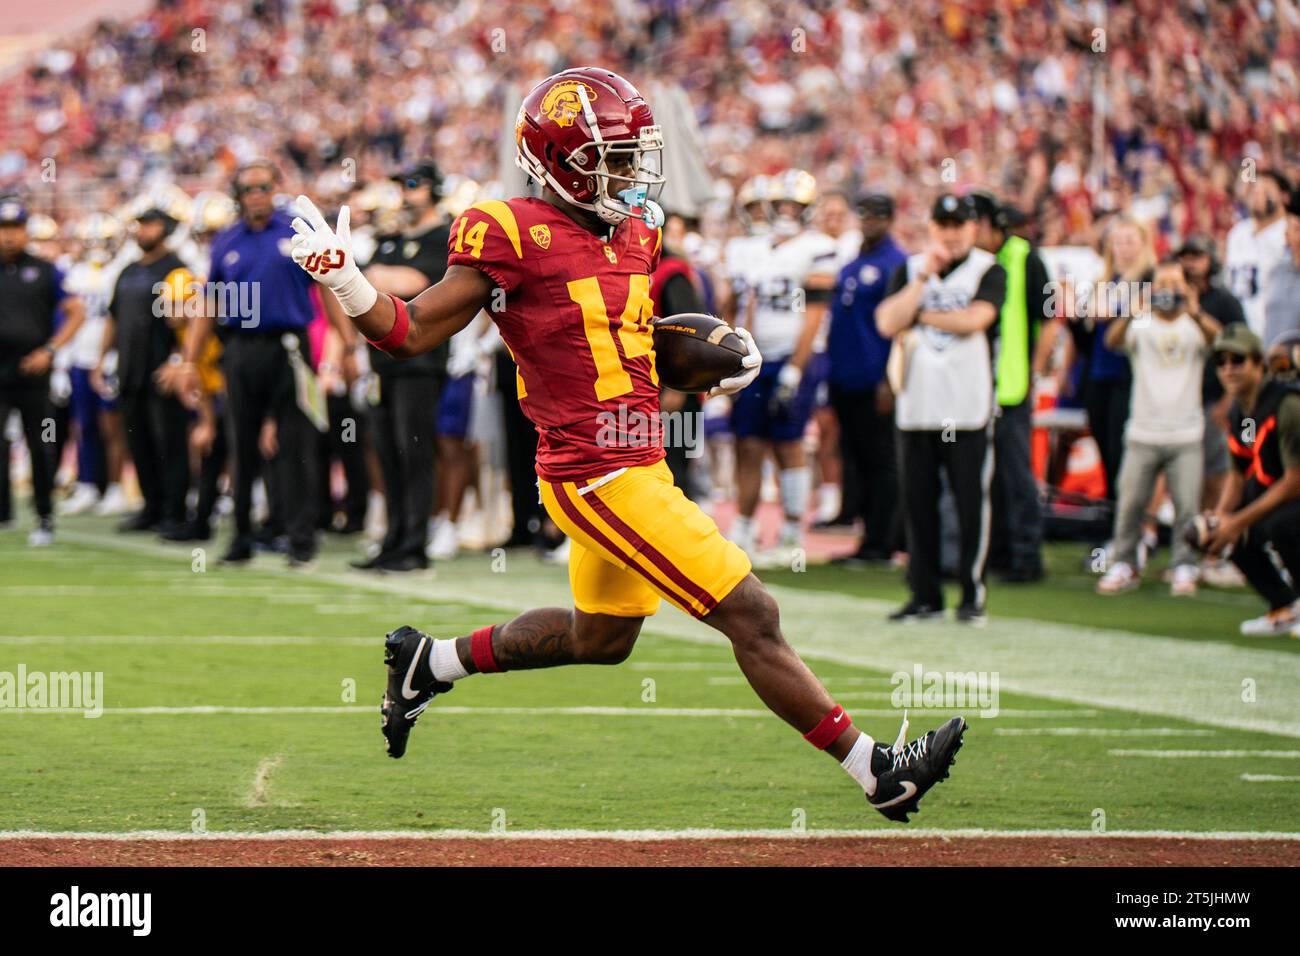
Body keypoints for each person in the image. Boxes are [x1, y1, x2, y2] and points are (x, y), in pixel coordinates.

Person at [289, 68, 965, 822]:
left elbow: (631, 336)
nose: (627, 172)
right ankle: (877, 771)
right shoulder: (507, 230)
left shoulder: (638, 226)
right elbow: (407, 333)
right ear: (552, 159)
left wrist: (714, 357)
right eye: (605, 157)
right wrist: (345, 281)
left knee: (603, 637)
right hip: (594, 473)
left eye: (631, 154)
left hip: (638, 457)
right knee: (753, 613)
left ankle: (431, 661)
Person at [177, 161, 356, 567]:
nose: (257, 194)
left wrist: (346, 344)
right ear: (238, 195)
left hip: (289, 348)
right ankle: (241, 537)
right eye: (249, 188)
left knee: (297, 445)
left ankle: (300, 539)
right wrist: (189, 360)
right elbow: (209, 303)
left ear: (275, 188)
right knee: (241, 445)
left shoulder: (295, 231)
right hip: (240, 347)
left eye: (264, 186)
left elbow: (327, 285)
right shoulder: (225, 239)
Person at [876, 193, 1007, 624]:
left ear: (973, 228)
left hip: (966, 407)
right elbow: (887, 322)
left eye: (958, 225)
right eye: (942, 225)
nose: (950, 234)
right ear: (931, 227)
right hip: (917, 406)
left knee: (971, 505)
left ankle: (972, 593)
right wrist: (921, 285)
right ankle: (925, 593)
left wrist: (920, 316)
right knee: (919, 505)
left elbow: (975, 320)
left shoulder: (988, 269)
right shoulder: (912, 268)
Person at [726, 168, 840, 567]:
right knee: (749, 442)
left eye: (795, 205)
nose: (786, 211)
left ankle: (793, 534)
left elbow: (815, 312)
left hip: (798, 356)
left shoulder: (818, 247)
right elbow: (748, 305)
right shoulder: (758, 248)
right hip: (759, 357)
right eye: (781, 204)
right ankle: (743, 526)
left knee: (790, 443)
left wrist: (796, 367)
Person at [1095, 260, 1220, 596]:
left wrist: (1193, 310)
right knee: (1130, 502)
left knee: (1186, 505)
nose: (1168, 291)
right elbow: (1112, 340)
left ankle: (1183, 564)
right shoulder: (1143, 323)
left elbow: (1220, 343)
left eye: (1174, 284)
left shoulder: (1194, 325)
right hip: (1143, 429)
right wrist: (1134, 310)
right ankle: (1125, 561)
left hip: (1186, 431)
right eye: (1162, 284)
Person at [349, 160, 450, 573]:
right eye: (402, 185)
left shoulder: (443, 235)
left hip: (420, 360)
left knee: (415, 452)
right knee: (387, 452)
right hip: (383, 360)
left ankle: (414, 543)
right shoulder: (389, 237)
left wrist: (378, 276)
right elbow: (364, 281)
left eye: (414, 184)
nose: (406, 193)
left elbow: (415, 283)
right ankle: (393, 539)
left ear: (433, 188)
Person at [971, 192, 1051, 583]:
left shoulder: (1026, 258)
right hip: (974, 388)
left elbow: (1050, 318)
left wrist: (1035, 372)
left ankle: (1027, 558)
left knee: (1017, 475)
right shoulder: (973, 261)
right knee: (987, 477)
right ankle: (996, 555)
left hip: (1012, 385)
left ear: (992, 225)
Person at [100, 209, 194, 535]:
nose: (142, 231)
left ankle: (175, 509)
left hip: (161, 369)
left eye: (150, 224)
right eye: (140, 224)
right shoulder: (127, 271)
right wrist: (102, 359)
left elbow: (193, 321)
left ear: (165, 229)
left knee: (169, 441)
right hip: (130, 369)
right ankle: (151, 506)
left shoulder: (177, 269)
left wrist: (181, 360)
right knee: (137, 440)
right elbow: (113, 317)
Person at [1205, 325, 1300, 637]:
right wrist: (1222, 517)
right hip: (1278, 490)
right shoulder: (1239, 409)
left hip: (1293, 492)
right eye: (1221, 362)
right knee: (1216, 531)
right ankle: (1284, 606)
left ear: (1259, 363)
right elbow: (1237, 471)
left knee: (1281, 524)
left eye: (1237, 360)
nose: (1228, 369)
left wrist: (1239, 519)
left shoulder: (1287, 405)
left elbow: (1294, 481)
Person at [827, 192, 907, 564]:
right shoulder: (854, 261)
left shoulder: (896, 264)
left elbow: (899, 329)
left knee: (881, 460)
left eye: (877, 216)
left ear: (890, 219)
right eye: (865, 215)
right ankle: (867, 535)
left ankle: (882, 541)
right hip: (845, 375)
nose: (869, 221)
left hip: (874, 378)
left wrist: (889, 380)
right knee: (857, 457)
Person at [0, 197, 84, 545]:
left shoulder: (46, 269)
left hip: (34, 370)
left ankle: (45, 516)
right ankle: (2, 513)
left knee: (42, 443)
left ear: (25, 231)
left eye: (14, 229)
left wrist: (50, 350)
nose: (8, 237)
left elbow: (76, 311)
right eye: (3, 229)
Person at [1067, 215, 1156, 503]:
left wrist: (1118, 311)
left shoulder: (1150, 279)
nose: (1123, 248)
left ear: (1143, 244)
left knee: (1123, 450)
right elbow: (1087, 338)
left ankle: (1130, 520)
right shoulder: (1102, 282)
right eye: (1118, 242)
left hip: (1128, 375)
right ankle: (1111, 515)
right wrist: (1073, 316)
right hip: (1098, 373)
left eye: (1130, 241)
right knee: (1104, 445)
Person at [1224, 170, 1290, 339]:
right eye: (1254, 189)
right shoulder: (1237, 233)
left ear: (1284, 196)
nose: (1257, 195)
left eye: (1266, 190)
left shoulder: (1290, 232)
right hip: (1240, 331)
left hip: (1278, 331)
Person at [1260, 188, 1300, 350]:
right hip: (1272, 366)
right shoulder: (1276, 271)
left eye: (1297, 228)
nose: (1287, 233)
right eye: (1291, 228)